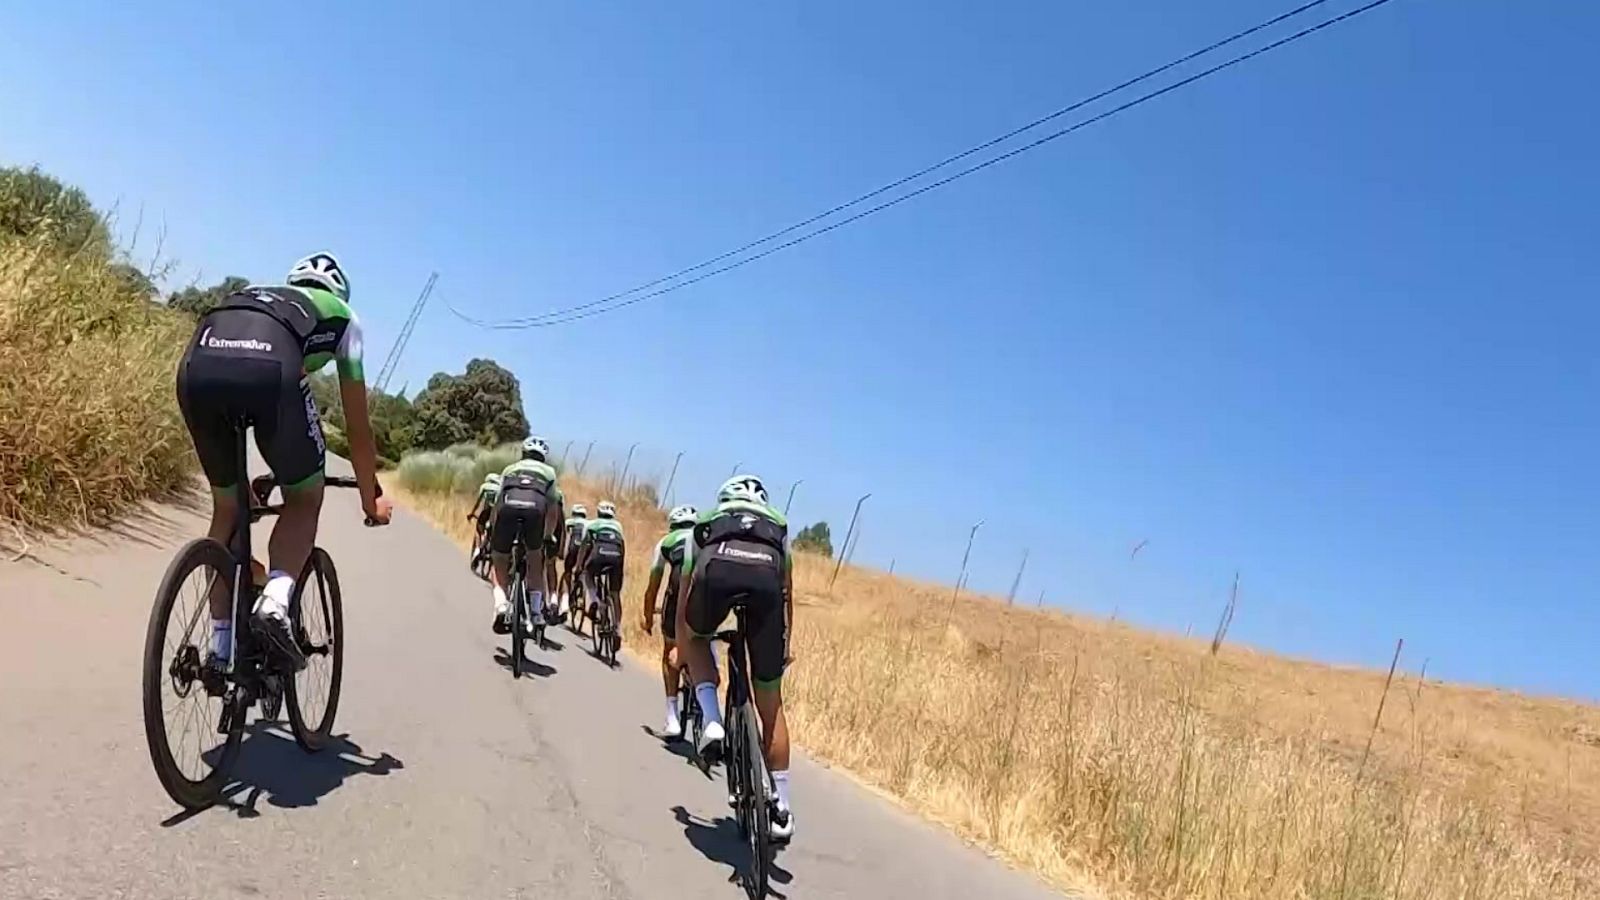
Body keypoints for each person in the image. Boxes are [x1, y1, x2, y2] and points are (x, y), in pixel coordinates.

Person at [175, 252, 392, 672]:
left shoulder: (259, 294)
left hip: (197, 365)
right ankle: (275, 602)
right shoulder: (345, 318)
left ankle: (220, 648)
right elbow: (358, 430)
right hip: (271, 367)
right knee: (305, 498)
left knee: (229, 509)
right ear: (339, 293)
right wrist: (370, 499)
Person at [675, 475, 795, 842]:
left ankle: (712, 720)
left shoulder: (708, 519)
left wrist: (685, 639)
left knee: (694, 639)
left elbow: (687, 582)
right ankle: (783, 809)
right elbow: (788, 590)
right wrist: (784, 643)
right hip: (767, 586)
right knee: (771, 706)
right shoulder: (777, 523)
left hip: (717, 575)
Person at [489, 437, 564, 634]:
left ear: (523, 454)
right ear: (543, 458)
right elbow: (553, 510)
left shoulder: (509, 469)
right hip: (535, 513)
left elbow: (497, 505)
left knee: (499, 560)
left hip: (508, 511)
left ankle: (501, 605)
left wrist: (495, 531)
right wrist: (547, 536)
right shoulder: (549, 473)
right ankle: (537, 612)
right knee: (535, 560)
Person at [641, 504, 697, 737]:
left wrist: (647, 617)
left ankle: (672, 716)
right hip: (707, 599)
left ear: (673, 524)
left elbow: (654, 585)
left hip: (676, 598)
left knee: (669, 652)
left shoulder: (666, 542)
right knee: (704, 644)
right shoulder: (707, 537)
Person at [578, 500, 626, 648]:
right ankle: (617, 629)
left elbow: (584, 546)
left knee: (588, 574)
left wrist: (580, 565)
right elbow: (622, 546)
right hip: (616, 558)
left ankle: (594, 600)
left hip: (598, 555)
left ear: (598, 512)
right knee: (615, 594)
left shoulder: (591, 525)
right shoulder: (618, 526)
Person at [558, 503, 589, 628]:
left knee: (567, 572)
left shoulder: (569, 522)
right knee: (582, 571)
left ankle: (564, 602)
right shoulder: (588, 524)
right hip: (585, 549)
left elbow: (564, 537)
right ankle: (581, 589)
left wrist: (561, 552)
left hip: (573, 547)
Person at [466, 472, 502, 571]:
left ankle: (478, 548)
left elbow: (478, 502)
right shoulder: (501, 489)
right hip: (497, 514)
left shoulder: (485, 487)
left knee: (479, 529)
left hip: (486, 512)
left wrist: (472, 513)